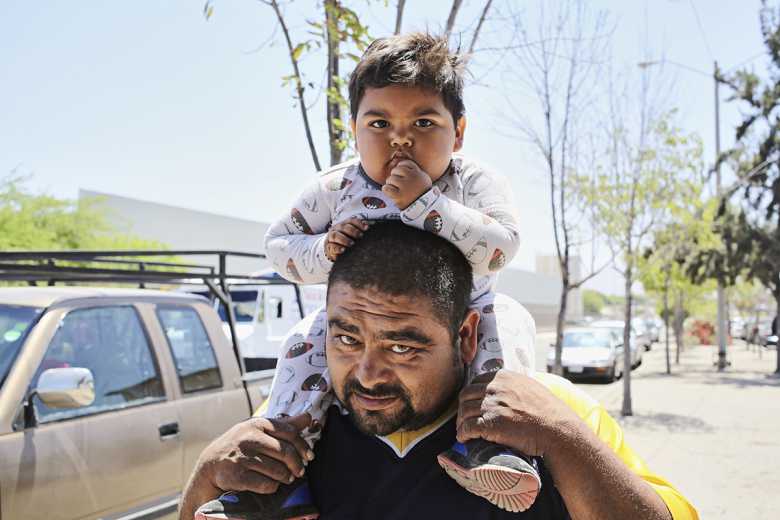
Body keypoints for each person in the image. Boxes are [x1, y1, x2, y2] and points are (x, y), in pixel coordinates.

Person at [181, 222, 698, 520]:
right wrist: (204, 478)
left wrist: (563, 440)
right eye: (345, 337)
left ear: (467, 335)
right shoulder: (292, 427)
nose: (367, 373)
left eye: (402, 347)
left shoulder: (551, 413)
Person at [229, 31, 539, 516]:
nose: (400, 138)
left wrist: (427, 204)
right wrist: (323, 250)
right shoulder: (335, 187)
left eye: (422, 121)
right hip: (352, 317)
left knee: (511, 331)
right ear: (353, 128)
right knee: (299, 349)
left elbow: (502, 249)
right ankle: (276, 480)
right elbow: (278, 246)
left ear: (458, 132)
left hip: (470, 311)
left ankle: (493, 449)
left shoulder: (472, 180)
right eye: (379, 122)